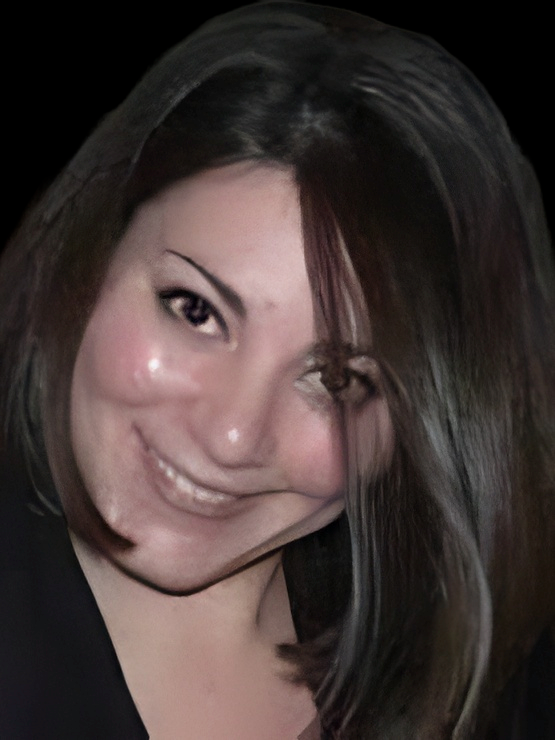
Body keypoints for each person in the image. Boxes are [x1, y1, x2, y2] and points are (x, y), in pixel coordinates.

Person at [0, 2, 553, 737]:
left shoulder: (481, 697)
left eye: (334, 381)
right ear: (88, 258)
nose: (232, 435)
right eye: (194, 311)